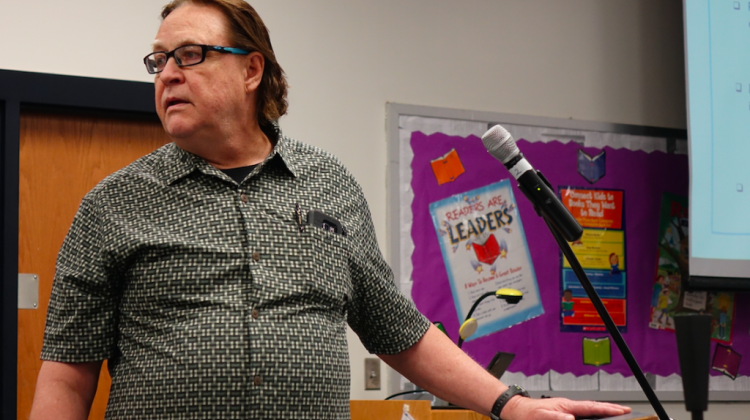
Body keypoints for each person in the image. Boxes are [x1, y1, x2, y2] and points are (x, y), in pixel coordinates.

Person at [30, 1, 632, 419]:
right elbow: (66, 372)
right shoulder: (113, 205)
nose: (166, 74)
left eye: (188, 55)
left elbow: (399, 331)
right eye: (157, 61)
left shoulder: (329, 185)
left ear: (251, 69)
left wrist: (512, 404)